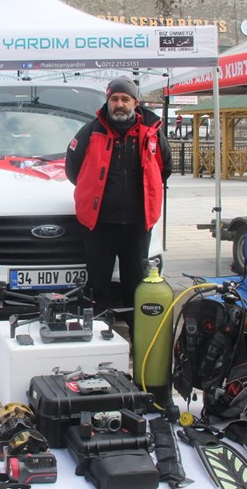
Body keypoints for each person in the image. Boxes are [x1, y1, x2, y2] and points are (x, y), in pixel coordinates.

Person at [65, 76, 172, 333]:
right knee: (97, 284)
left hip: (137, 225)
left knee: (135, 283)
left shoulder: (153, 133)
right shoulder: (91, 131)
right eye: (114, 99)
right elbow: (72, 169)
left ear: (135, 102)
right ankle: (98, 334)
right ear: (108, 101)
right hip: (99, 224)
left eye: (125, 99)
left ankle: (139, 335)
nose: (119, 104)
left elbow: (164, 169)